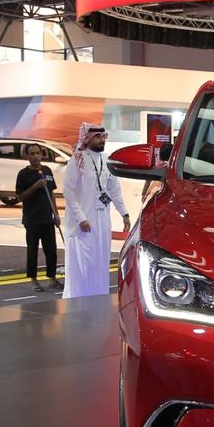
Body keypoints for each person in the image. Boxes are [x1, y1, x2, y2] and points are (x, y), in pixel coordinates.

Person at [62, 123, 129, 299]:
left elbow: (114, 190)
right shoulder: (77, 161)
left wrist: (124, 214)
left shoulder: (107, 160)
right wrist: (81, 218)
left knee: (101, 261)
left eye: (103, 136)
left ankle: (98, 299)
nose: (102, 140)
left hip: (102, 221)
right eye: (98, 137)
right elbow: (68, 192)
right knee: (82, 264)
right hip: (81, 224)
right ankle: (78, 301)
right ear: (88, 139)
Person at [15, 144, 63, 292]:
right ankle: (34, 280)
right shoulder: (23, 174)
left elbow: (51, 193)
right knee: (32, 251)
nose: (35, 156)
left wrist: (56, 213)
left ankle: (52, 278)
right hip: (32, 219)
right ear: (27, 156)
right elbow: (20, 197)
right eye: (32, 154)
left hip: (47, 218)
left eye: (38, 153)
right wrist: (35, 186)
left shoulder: (47, 171)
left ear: (41, 155)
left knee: (51, 250)